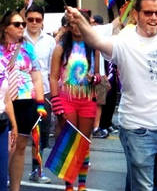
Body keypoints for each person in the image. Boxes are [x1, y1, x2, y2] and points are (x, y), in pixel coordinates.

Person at [65, 0, 157, 191]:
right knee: (144, 188)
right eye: (148, 13)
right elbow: (96, 41)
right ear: (136, 14)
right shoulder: (125, 40)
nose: (154, 18)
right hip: (139, 131)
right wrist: (80, 21)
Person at [50, 10, 100, 191]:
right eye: (73, 24)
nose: (77, 27)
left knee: (84, 142)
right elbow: (53, 77)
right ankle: (69, 185)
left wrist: (95, 79)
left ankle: (82, 185)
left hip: (87, 99)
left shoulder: (93, 47)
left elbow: (97, 75)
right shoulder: (60, 47)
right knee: (69, 141)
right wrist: (55, 101)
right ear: (69, 26)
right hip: (67, 99)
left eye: (80, 23)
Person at [0, 10, 46, 191]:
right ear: (5, 28)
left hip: (27, 102)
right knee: (7, 149)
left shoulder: (27, 48)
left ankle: (15, 188)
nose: (22, 27)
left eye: (23, 24)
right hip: (5, 104)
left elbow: (36, 77)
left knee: (20, 149)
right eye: (17, 24)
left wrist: (41, 104)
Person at [23, 4, 56, 183]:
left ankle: (37, 170)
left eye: (38, 20)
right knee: (19, 134)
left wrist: (54, 96)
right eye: (30, 19)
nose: (34, 23)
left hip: (44, 94)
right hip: (22, 94)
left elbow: (52, 70)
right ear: (26, 19)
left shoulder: (50, 41)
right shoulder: (19, 39)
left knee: (41, 135)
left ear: (43, 21)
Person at [0, 74, 18, 191]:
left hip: (1, 124)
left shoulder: (2, 67)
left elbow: (7, 101)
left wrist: (14, 125)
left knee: (2, 173)